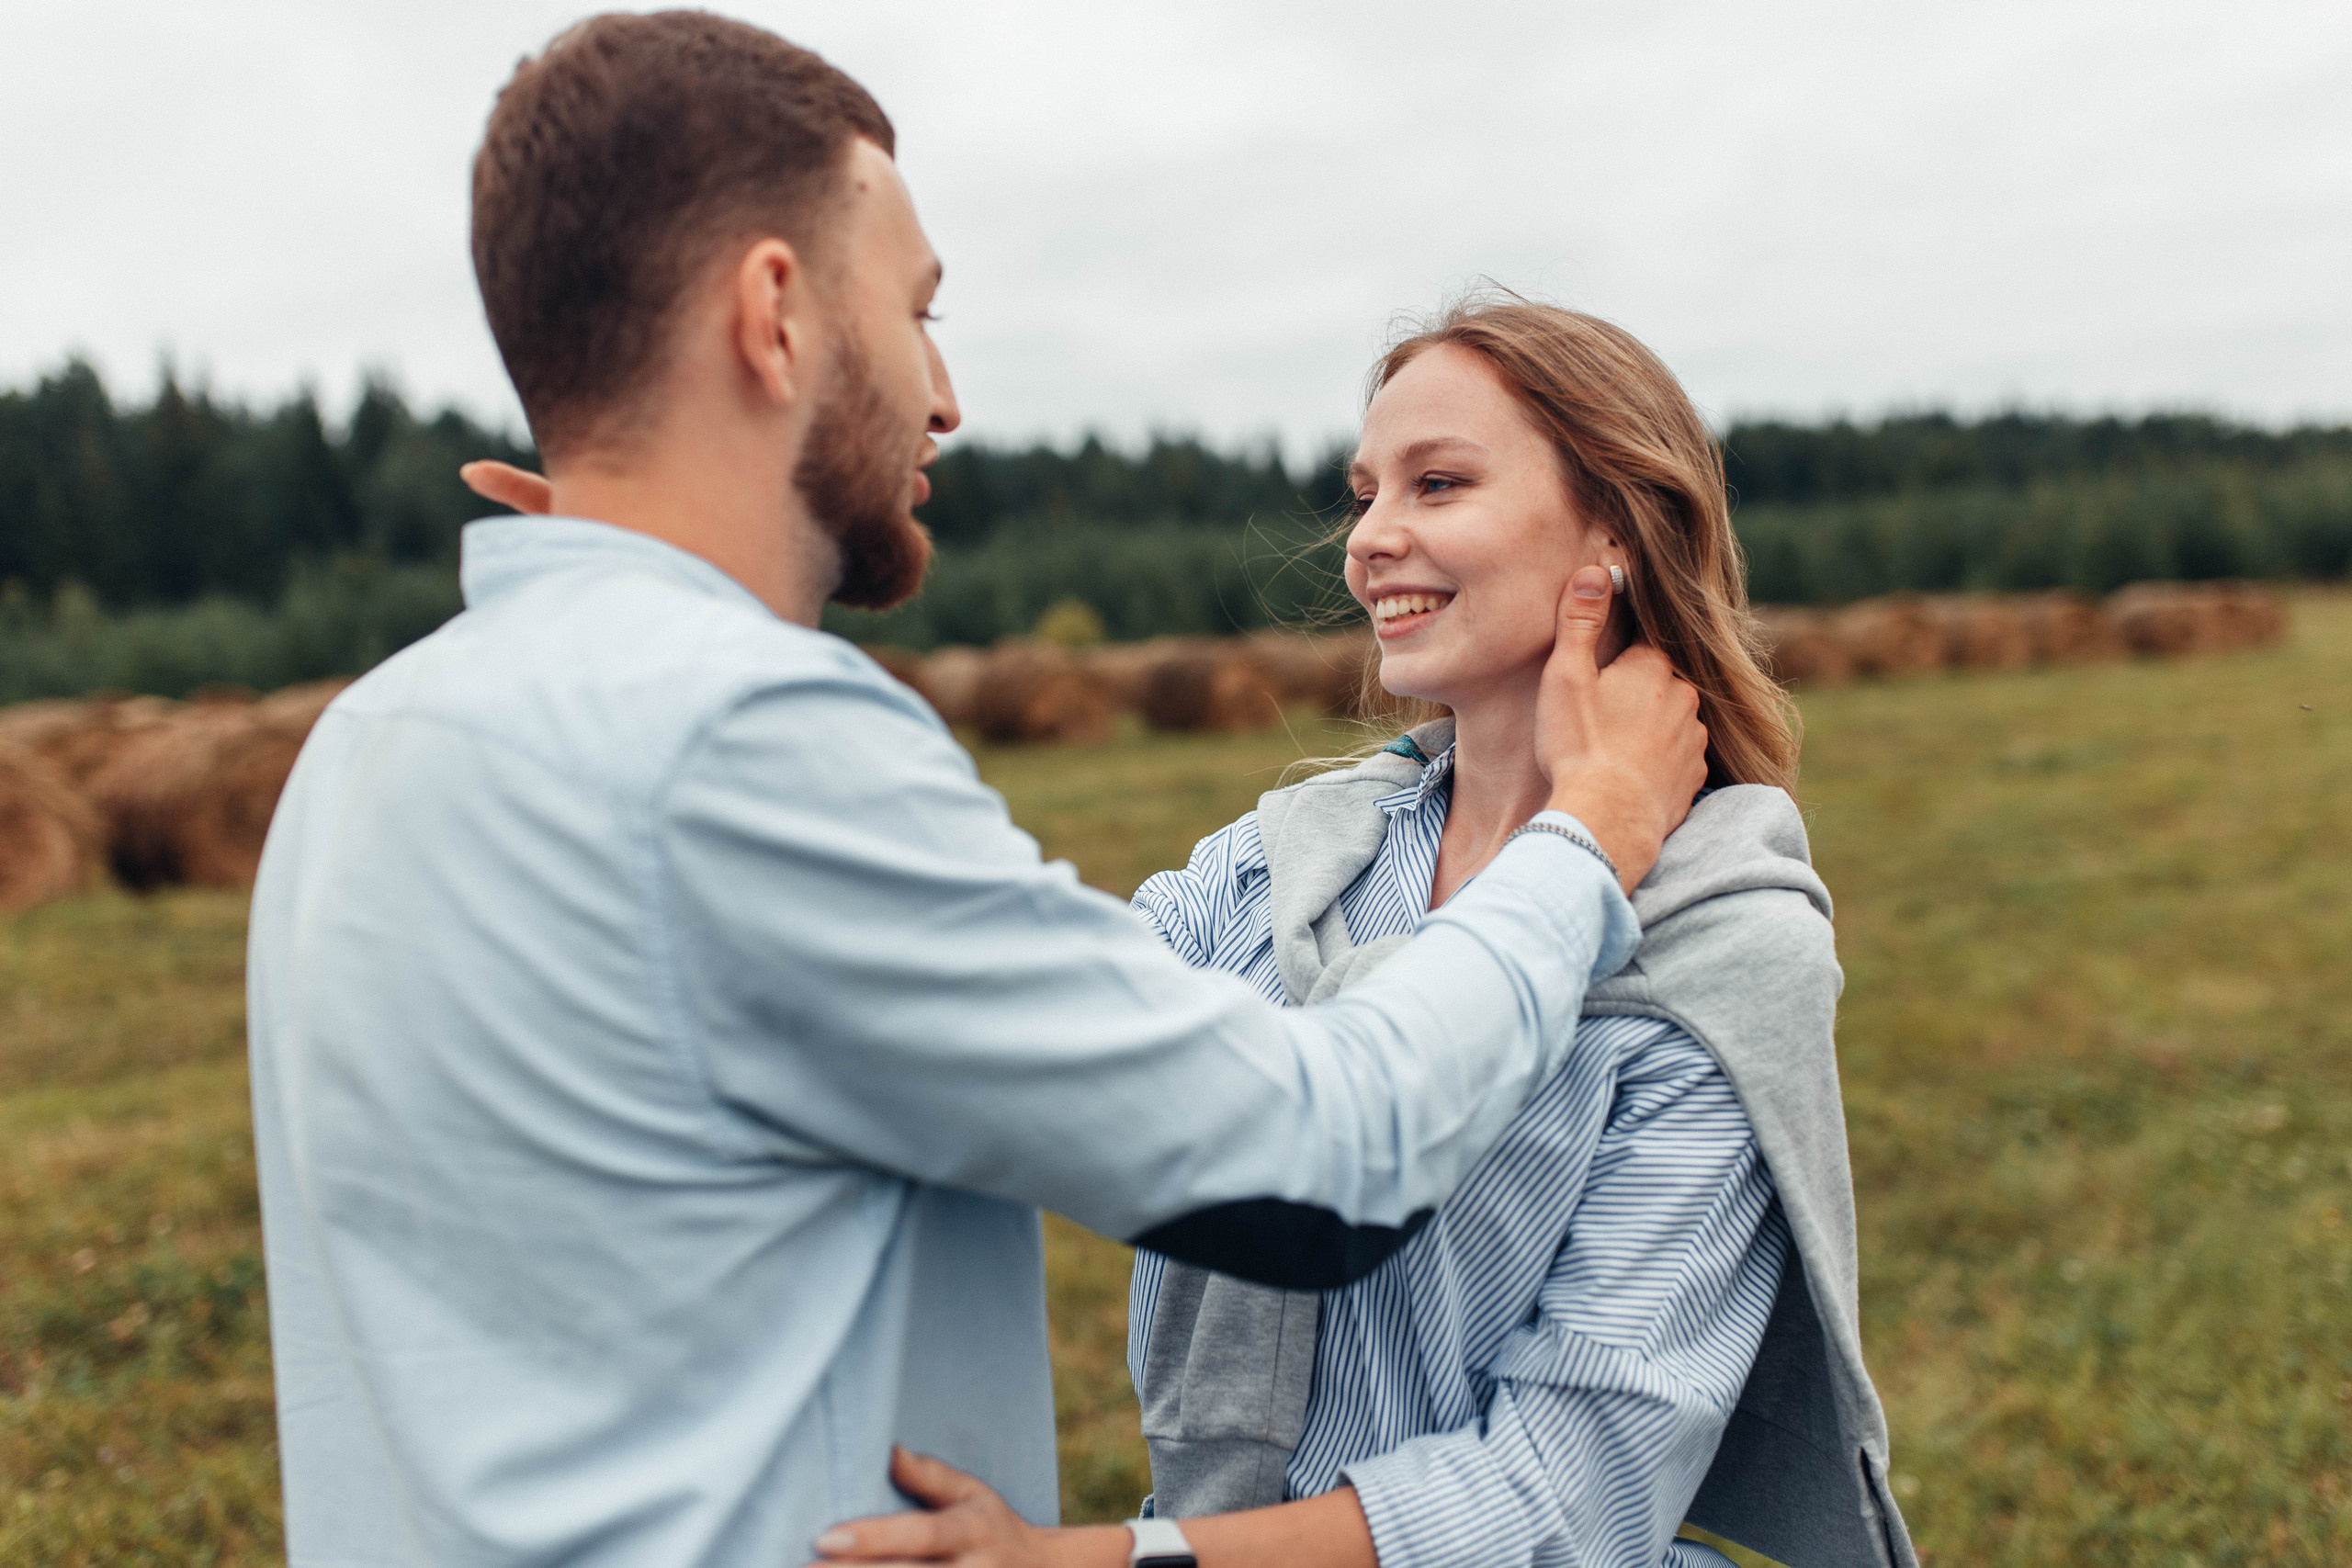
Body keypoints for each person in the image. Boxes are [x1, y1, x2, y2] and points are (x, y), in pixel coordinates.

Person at [247, 15, 1712, 1568]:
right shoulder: (744, 746)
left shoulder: (374, 740)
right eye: (917, 311)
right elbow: (1320, 1165)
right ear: (776, 313)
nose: (943, 395)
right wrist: (1588, 839)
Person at [802, 304, 1917, 1568]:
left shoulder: (1724, 948)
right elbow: (1001, 1027)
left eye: (1437, 484)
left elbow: (1569, 1497)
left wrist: (1102, 1561)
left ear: (1614, 525)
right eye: (1364, 492)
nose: (1371, 539)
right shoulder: (1281, 865)